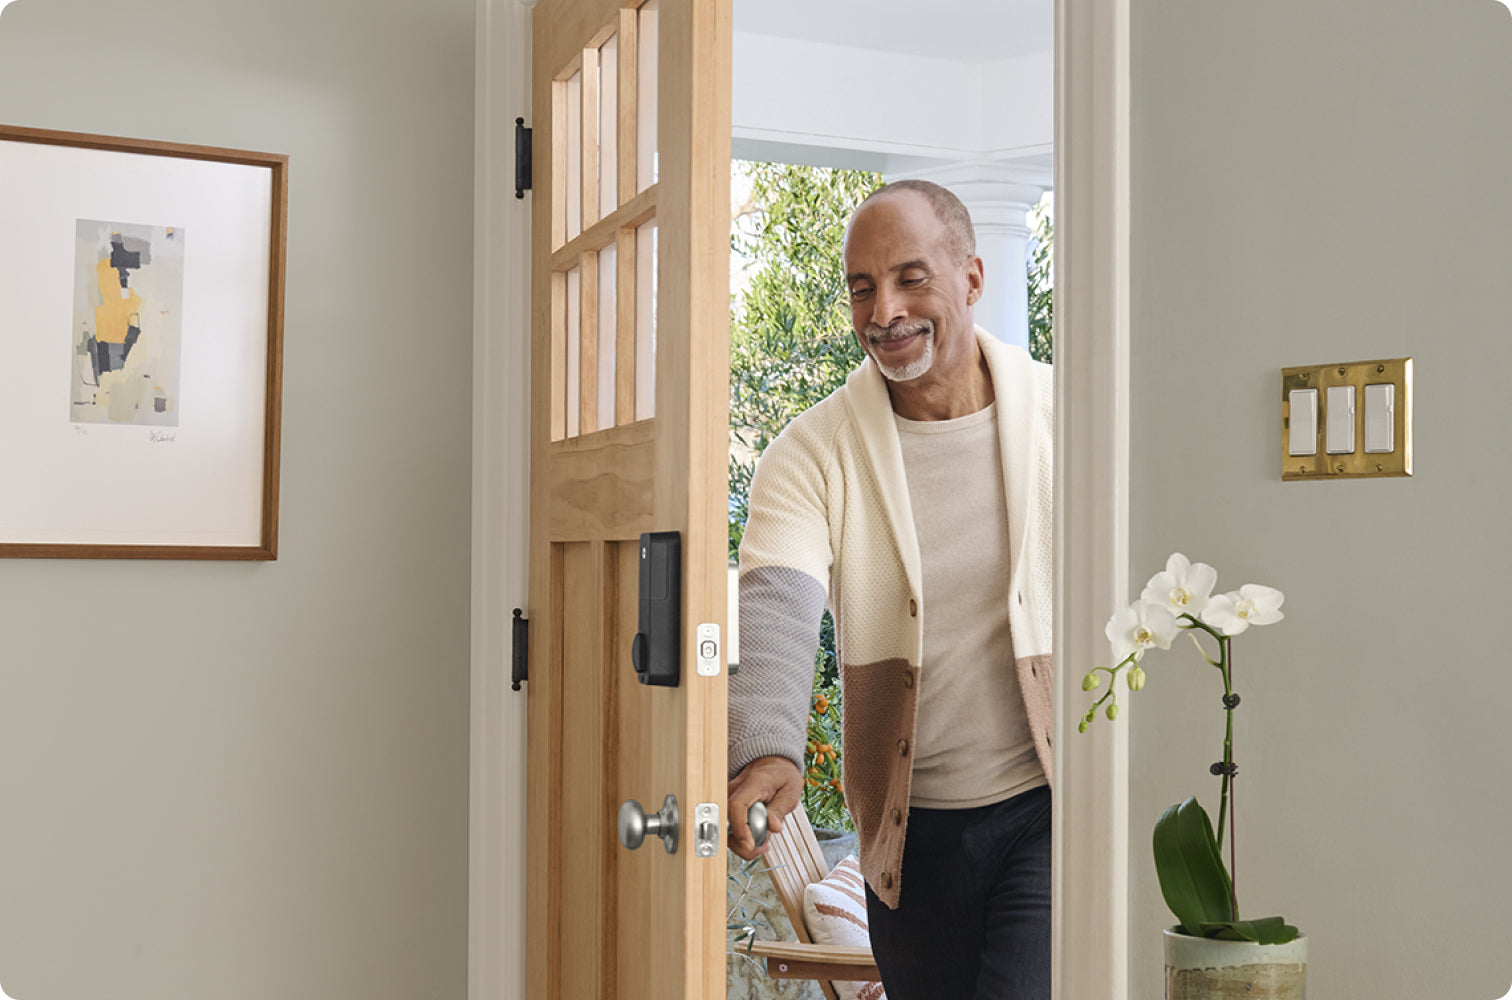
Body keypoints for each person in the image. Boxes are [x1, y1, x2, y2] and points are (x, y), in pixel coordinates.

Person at [726, 179, 1054, 1000]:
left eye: (911, 277)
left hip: (1046, 805)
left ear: (973, 278)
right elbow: (777, 603)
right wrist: (766, 746)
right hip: (908, 841)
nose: (885, 311)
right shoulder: (812, 453)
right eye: (863, 286)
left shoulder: (1065, 414)